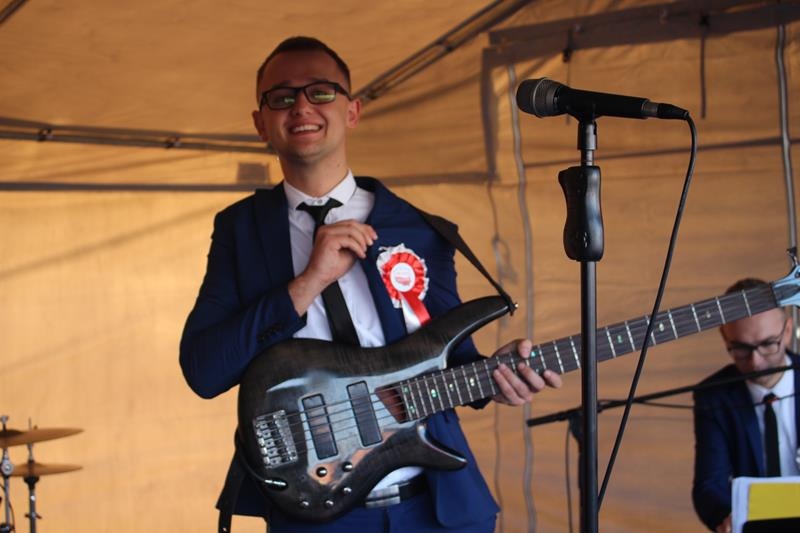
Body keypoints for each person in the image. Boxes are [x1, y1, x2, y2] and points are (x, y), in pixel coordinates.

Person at [180, 36, 561, 533]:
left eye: (320, 92)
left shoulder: (423, 229)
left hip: (436, 509)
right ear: (260, 123)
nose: (301, 106)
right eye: (282, 96)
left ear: (352, 111)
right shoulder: (241, 230)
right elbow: (205, 371)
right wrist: (309, 281)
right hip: (315, 516)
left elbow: (453, 357)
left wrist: (499, 377)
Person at [692, 278, 800, 532]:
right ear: (725, 338)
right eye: (740, 348)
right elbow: (709, 484)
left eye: (767, 344)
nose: (755, 362)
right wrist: (725, 515)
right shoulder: (714, 396)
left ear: (787, 331)